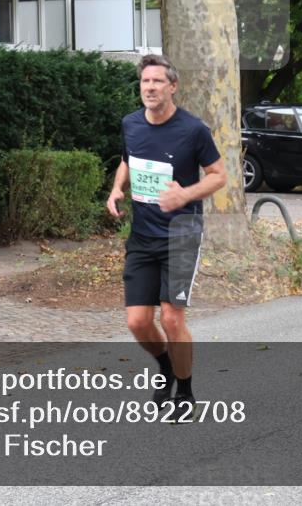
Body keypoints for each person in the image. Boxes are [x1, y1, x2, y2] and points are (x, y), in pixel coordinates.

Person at [106, 54, 226, 422]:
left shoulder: (193, 130)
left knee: (172, 318)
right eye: (145, 82)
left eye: (157, 82)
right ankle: (167, 366)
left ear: (172, 87)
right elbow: (128, 160)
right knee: (138, 322)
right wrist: (115, 190)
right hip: (142, 235)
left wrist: (184, 194)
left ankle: (186, 393)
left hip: (181, 233)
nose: (150, 88)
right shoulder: (131, 124)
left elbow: (218, 175)